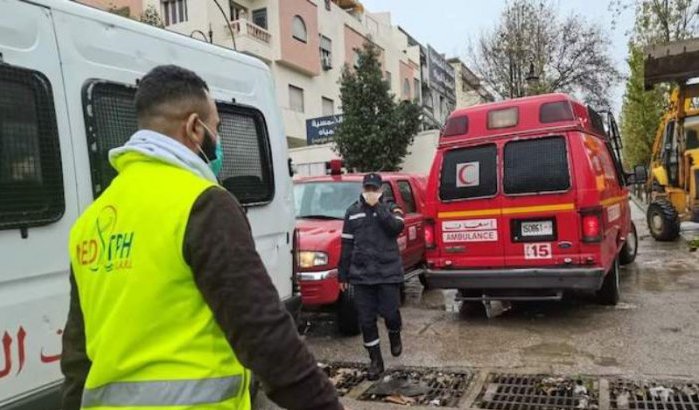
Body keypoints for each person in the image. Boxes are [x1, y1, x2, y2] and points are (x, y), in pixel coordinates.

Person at [61, 65, 342, 410]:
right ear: (196, 127)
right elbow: (264, 333)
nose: (218, 141)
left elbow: (76, 360)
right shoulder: (202, 203)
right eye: (217, 128)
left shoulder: (89, 221)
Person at [338, 173, 405, 381]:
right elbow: (347, 245)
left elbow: (396, 228)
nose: (370, 193)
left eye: (374, 189)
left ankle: (394, 335)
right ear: (362, 189)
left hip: (387, 273)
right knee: (366, 321)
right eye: (367, 189)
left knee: (390, 313)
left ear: (381, 190)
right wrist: (342, 275)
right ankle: (376, 361)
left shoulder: (392, 209)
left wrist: (378, 207)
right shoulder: (352, 212)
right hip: (361, 275)